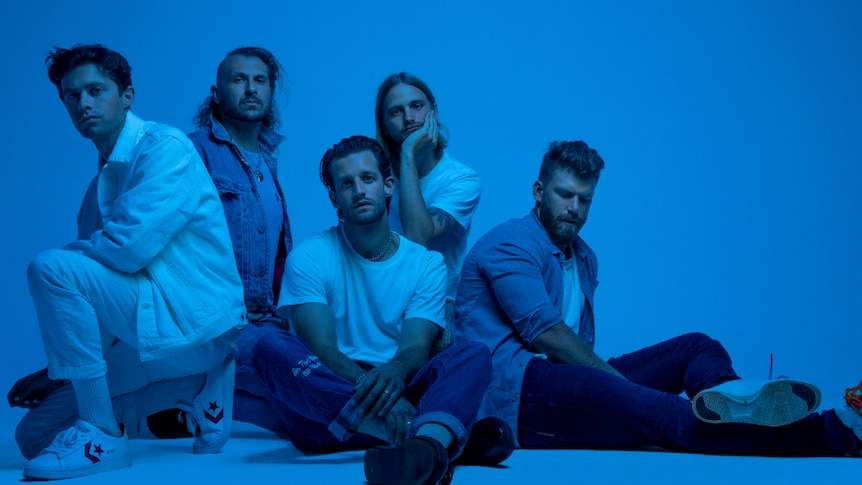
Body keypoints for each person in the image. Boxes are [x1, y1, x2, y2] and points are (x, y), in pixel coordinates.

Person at [453, 140, 862, 457]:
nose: (574, 208)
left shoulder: (583, 256)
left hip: (565, 380)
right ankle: (837, 432)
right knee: (665, 416)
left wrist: (613, 385)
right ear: (539, 191)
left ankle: (732, 397)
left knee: (696, 346)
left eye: (585, 199)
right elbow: (547, 335)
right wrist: (618, 387)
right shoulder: (509, 243)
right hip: (516, 395)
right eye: (564, 195)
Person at [12, 44, 246, 480]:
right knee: (35, 437)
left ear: (127, 95)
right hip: (142, 333)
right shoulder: (94, 191)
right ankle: (193, 387)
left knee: (49, 266)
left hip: (194, 324)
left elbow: (126, 249)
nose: (83, 103)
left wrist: (66, 263)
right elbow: (88, 300)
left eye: (96, 90)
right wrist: (56, 369)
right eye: (71, 96)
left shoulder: (165, 149)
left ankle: (103, 431)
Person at [252, 136, 512, 485]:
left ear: (388, 185)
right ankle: (428, 439)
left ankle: (423, 448)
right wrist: (377, 396)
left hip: (399, 385)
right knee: (269, 347)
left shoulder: (426, 264)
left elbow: (415, 348)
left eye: (368, 179)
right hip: (328, 409)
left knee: (473, 354)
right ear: (335, 198)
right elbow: (324, 350)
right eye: (346, 183)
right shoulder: (311, 257)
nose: (359, 190)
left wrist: (395, 371)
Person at [146, 46, 293, 438]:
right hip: (217, 322)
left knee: (303, 392)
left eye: (259, 80)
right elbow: (159, 240)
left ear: (270, 91)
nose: (250, 88)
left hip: (265, 321)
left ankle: (180, 406)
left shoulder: (267, 160)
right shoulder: (192, 152)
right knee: (302, 389)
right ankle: (173, 396)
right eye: (238, 79)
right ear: (217, 92)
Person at [375, 73, 481, 352]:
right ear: (384, 125)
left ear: (433, 111)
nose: (409, 118)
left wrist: (408, 154)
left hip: (437, 308)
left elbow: (418, 236)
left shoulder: (461, 180)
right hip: (380, 299)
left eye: (417, 106)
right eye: (396, 112)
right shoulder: (373, 178)